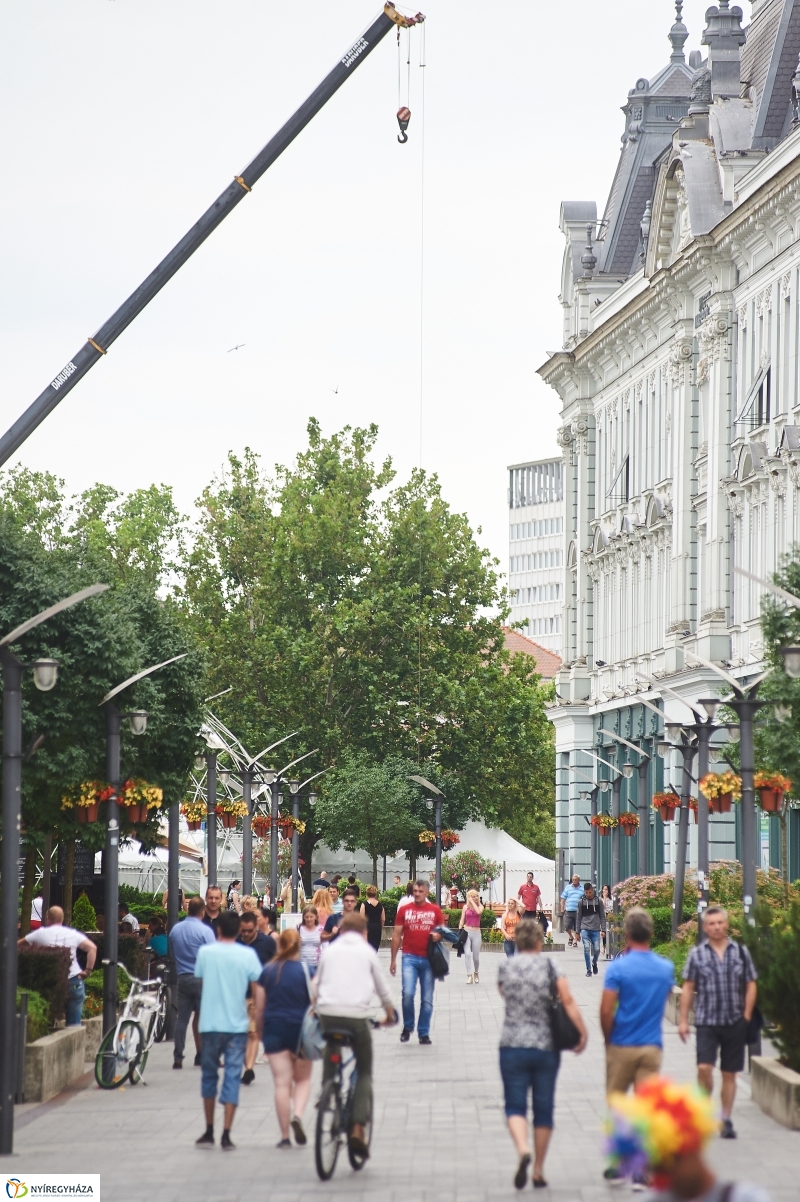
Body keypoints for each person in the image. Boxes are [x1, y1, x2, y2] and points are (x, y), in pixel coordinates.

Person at [498, 919, 587, 1190]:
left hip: (512, 1044)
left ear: (518, 941)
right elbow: (567, 1000)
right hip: (546, 1045)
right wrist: (582, 1032)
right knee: (543, 1106)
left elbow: (504, 994)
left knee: (515, 1104)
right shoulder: (552, 966)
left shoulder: (506, 966)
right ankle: (538, 1169)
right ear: (539, 941)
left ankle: (523, 1148)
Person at [600, 906, 675, 1189]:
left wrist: (608, 1039)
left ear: (627, 934)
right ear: (651, 933)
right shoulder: (665, 967)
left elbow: (606, 1009)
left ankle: (619, 1164)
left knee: (618, 1104)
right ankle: (642, 1170)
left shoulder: (618, 967)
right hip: (651, 1046)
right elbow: (666, 996)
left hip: (622, 1043)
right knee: (647, 1107)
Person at [606, 1076, 772, 1201]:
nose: (666, 1177)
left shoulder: (746, 1198)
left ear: (695, 1144)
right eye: (657, 1168)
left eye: (674, 1159)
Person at [314, 909, 396, 1160]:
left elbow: (314, 984)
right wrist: (390, 1015)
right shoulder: (367, 952)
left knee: (332, 1045)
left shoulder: (330, 952)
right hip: (356, 1016)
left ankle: (326, 1090)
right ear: (364, 931)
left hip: (328, 1013)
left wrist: (315, 1007)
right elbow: (383, 990)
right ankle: (358, 1129)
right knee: (364, 1069)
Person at [679, 907, 758, 1141]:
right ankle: (704, 1112)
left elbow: (751, 984)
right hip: (706, 1021)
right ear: (705, 928)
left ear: (726, 924)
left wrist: (746, 1015)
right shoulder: (697, 954)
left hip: (734, 1021)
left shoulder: (740, 953)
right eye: (711, 923)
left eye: (720, 922)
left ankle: (725, 1118)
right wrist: (683, 1020)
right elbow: (688, 986)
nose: (716, 927)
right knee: (704, 1068)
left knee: (729, 1074)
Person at [194, 910, 263, 1149]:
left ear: (219, 930)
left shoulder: (205, 953)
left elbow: (200, 979)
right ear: (238, 931)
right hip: (236, 1025)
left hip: (210, 1024)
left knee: (209, 1076)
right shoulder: (248, 955)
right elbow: (256, 988)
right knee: (233, 1075)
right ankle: (226, 1133)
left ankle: (209, 1129)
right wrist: (257, 1015)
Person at [259, 929, 314, 1148]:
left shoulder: (268, 971)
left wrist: (262, 1034)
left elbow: (260, 1009)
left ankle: (284, 1137)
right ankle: (298, 1115)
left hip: (274, 1029)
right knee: (302, 1080)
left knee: (282, 1083)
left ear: (279, 945)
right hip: (301, 1031)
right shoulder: (307, 970)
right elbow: (316, 1002)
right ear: (299, 946)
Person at [19, 905, 96, 1026]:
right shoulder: (73, 934)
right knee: (74, 1023)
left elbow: (18, 945)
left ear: (47, 917)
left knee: (47, 1019)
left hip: (50, 981)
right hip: (74, 980)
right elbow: (92, 948)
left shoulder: (40, 934)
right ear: (62, 919)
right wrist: (88, 970)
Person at [390, 878, 444, 1045]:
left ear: (427, 892)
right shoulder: (404, 910)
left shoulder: (435, 910)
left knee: (427, 998)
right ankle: (408, 1026)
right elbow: (397, 934)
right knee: (407, 994)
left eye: (421, 891)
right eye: (415, 891)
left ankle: (423, 1032)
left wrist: (438, 936)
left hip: (428, 959)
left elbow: (442, 932)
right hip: (409, 957)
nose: (417, 894)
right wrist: (392, 960)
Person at [169, 896, 216, 1068]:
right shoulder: (205, 931)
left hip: (183, 978)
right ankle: (204, 1054)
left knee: (182, 1019)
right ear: (202, 912)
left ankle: (178, 1057)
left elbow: (172, 952)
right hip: (202, 979)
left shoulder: (175, 930)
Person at [237, 910, 276, 1085]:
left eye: (249, 931)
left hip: (257, 994)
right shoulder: (235, 943)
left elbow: (274, 966)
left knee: (253, 1033)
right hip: (236, 995)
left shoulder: (267, 943)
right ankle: (247, 1063)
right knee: (240, 1035)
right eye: (243, 931)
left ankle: (249, 1069)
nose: (245, 934)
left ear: (256, 928)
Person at [576, 883, 606, 978]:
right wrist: (577, 932)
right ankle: (588, 969)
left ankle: (594, 962)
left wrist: (603, 929)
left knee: (597, 949)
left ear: (593, 890)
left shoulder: (599, 901)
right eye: (586, 893)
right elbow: (578, 917)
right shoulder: (581, 902)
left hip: (596, 929)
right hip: (585, 928)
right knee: (586, 948)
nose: (588, 894)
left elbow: (602, 916)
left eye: (589, 892)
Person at [459, 889, 484, 984]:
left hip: (476, 932)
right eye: (473, 896)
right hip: (467, 931)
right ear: (469, 898)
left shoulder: (480, 906)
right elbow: (462, 919)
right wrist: (460, 928)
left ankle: (476, 972)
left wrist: (473, 902)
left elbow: (478, 912)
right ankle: (469, 975)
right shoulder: (465, 907)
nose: (475, 898)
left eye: (476, 896)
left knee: (476, 957)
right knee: (468, 954)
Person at [559, 875, 584, 948]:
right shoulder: (568, 887)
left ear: (579, 880)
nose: (574, 881)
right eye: (573, 880)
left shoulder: (582, 888)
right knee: (567, 927)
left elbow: (585, 899)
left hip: (578, 911)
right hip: (569, 910)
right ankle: (571, 936)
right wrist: (562, 908)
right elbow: (563, 898)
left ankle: (575, 941)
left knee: (577, 927)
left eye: (575, 880)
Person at [359, 884, 385, 952]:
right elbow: (383, 919)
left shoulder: (364, 904)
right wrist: (380, 926)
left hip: (367, 927)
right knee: (375, 947)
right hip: (377, 927)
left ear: (367, 894)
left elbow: (361, 918)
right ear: (376, 894)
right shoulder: (380, 905)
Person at [299, 904, 321, 969]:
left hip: (317, 964)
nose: (309, 919)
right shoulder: (298, 928)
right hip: (302, 963)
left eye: (311, 917)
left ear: (316, 917)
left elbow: (325, 946)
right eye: (306, 917)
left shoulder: (321, 929)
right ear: (303, 917)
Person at [600, 884, 613, 957]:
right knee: (604, 931)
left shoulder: (612, 898)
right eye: (603, 889)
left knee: (610, 932)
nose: (604, 891)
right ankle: (604, 945)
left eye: (606, 889)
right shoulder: (600, 899)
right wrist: (604, 897)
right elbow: (603, 907)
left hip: (610, 916)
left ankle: (610, 948)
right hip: (604, 916)